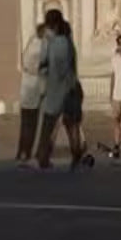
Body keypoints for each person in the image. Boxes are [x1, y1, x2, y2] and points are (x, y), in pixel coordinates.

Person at [35, 10, 82, 169]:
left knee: (48, 125)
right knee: (72, 124)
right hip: (71, 88)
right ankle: (76, 154)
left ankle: (43, 156)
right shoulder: (68, 41)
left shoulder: (51, 42)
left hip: (55, 89)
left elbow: (43, 64)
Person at [15, 21, 46, 162]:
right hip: (34, 90)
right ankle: (26, 152)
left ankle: (21, 151)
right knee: (31, 125)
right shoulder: (40, 47)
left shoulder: (31, 43)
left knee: (24, 124)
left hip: (26, 89)